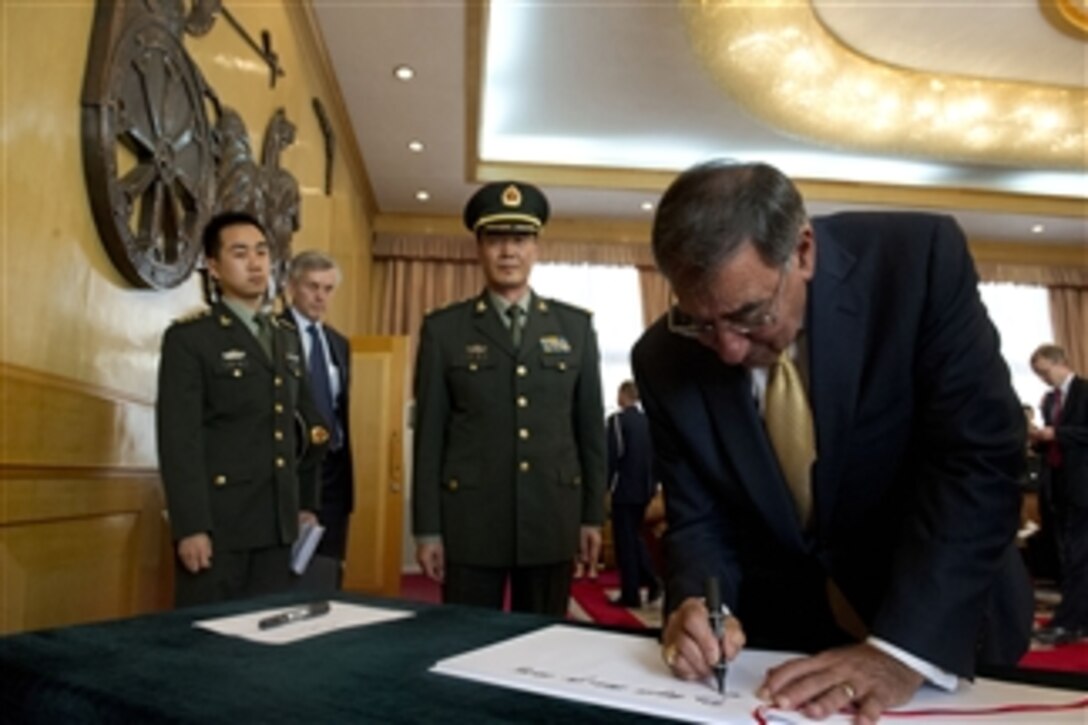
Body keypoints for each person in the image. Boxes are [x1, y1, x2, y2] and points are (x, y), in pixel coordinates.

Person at [631, 161, 1032, 723]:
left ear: (803, 251)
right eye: (699, 321)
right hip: (785, 651)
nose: (727, 350)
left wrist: (902, 653)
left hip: (940, 624)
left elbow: (980, 460)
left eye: (750, 315)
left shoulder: (917, 264)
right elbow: (700, 519)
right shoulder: (663, 359)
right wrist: (699, 603)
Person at [411, 181, 606, 616]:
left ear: (536, 247)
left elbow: (590, 430)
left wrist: (592, 516)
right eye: (496, 239)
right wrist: (427, 530)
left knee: (540, 648)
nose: (508, 252)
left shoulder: (574, 328)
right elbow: (430, 437)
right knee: (464, 647)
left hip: (551, 519)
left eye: (519, 239)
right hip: (471, 523)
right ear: (478, 248)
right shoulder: (444, 331)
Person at [156, 211, 328, 607]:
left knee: (264, 646)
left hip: (277, 523)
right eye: (240, 253)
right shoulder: (191, 339)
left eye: (262, 252)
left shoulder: (285, 337)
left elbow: (303, 430)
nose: (255, 263)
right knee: (207, 646)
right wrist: (191, 527)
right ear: (213, 267)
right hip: (220, 525)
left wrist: (304, 503)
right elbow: (179, 440)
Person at [284, 250, 355, 589]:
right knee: (289, 572)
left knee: (327, 569)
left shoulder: (339, 344)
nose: (320, 297)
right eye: (312, 287)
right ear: (292, 287)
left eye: (328, 289)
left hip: (335, 472)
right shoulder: (274, 334)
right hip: (293, 469)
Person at [1029, 344, 1088, 644]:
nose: (1042, 378)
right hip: (1059, 488)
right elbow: (1052, 442)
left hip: (1084, 487)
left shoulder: (1084, 392)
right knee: (1069, 556)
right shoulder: (1048, 401)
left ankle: (1070, 622)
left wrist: (1058, 434)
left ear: (1060, 362)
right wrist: (1038, 438)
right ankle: (1077, 618)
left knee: (1079, 556)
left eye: (1043, 371)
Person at [606, 380, 661, 607]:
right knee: (634, 538)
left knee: (625, 542)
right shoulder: (649, 422)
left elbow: (612, 455)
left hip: (623, 490)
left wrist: (606, 487)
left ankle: (631, 594)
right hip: (645, 489)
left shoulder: (617, 421)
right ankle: (650, 580)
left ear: (623, 395)